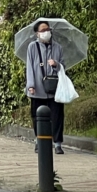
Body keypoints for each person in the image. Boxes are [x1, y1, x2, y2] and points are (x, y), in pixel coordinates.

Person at [25, 20, 65, 154]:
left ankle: (57, 143)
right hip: (37, 88)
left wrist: (56, 64)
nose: (46, 32)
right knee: (37, 116)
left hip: (54, 89)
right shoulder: (32, 47)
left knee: (57, 116)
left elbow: (63, 67)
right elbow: (29, 66)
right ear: (37, 34)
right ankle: (39, 140)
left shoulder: (58, 47)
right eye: (42, 30)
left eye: (47, 29)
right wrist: (30, 85)